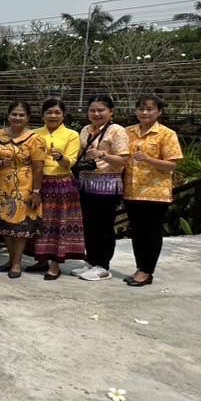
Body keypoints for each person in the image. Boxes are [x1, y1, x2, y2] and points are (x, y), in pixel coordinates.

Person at [124, 93, 184, 287]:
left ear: (159, 111)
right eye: (141, 108)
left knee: (151, 232)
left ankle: (147, 271)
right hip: (131, 190)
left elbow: (171, 165)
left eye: (150, 109)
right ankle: (140, 266)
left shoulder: (166, 134)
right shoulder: (128, 132)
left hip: (155, 192)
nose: (144, 112)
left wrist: (148, 160)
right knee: (137, 231)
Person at [70, 93, 130, 281]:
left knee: (104, 226)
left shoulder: (117, 130)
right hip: (86, 183)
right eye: (92, 110)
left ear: (111, 112)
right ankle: (91, 260)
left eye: (101, 110)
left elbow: (124, 159)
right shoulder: (86, 129)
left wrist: (102, 155)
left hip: (107, 184)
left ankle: (103, 265)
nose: (96, 114)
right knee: (89, 224)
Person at [0, 101, 47, 278]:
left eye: (21, 115)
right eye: (14, 114)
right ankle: (10, 258)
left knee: (20, 226)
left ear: (28, 118)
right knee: (5, 224)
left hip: (24, 186)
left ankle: (17, 261)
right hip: (1, 185)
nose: (17, 118)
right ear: (8, 115)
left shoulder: (35, 139)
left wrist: (36, 191)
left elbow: (38, 167)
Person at [34, 98, 84, 281]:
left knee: (58, 225)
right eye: (49, 112)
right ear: (43, 115)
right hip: (40, 183)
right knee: (40, 224)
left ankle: (55, 263)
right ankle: (41, 260)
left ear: (63, 115)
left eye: (57, 112)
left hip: (62, 184)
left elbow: (71, 162)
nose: (53, 115)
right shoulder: (35, 134)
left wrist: (60, 157)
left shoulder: (72, 135)